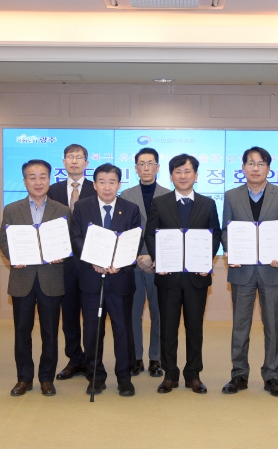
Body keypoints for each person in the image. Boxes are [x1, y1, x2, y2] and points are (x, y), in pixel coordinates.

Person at [221, 146, 278, 397]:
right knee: (240, 326)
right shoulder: (231, 196)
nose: (255, 168)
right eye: (251, 163)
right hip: (241, 271)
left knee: (272, 326)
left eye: (261, 163)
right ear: (243, 167)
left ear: (268, 168)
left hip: (272, 271)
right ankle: (239, 375)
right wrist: (230, 250)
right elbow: (226, 230)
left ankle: (272, 376)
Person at [144, 154, 221, 394]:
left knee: (194, 328)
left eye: (187, 171)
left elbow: (215, 234)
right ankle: (170, 375)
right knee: (168, 328)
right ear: (171, 176)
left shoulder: (208, 204)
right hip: (168, 276)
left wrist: (206, 259)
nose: (183, 176)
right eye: (178, 171)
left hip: (197, 277)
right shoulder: (160, 202)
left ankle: (193, 375)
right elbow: (151, 234)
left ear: (196, 175)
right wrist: (159, 259)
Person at [0, 160, 70, 397]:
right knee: (22, 331)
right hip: (23, 277)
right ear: (24, 181)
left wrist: (62, 253)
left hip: (51, 278)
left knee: (50, 332)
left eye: (43, 177)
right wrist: (13, 257)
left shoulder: (62, 210)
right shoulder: (12, 209)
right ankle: (24, 378)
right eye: (32, 177)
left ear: (49, 179)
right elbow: (4, 239)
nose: (38, 182)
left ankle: (47, 379)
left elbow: (69, 240)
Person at [70, 163, 141, 396]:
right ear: (94, 185)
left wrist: (120, 262)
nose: (107, 187)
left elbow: (135, 241)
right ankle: (95, 376)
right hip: (91, 279)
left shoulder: (131, 209)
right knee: (92, 331)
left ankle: (124, 377)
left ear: (119, 184)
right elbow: (76, 237)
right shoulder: (82, 207)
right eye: (102, 182)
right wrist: (93, 260)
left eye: (112, 182)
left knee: (123, 330)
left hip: (120, 280)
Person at [119, 148, 170, 378]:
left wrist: (152, 254)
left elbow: (169, 231)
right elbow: (122, 230)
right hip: (132, 263)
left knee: (159, 312)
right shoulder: (125, 195)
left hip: (160, 263)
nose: (146, 168)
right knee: (133, 312)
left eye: (150, 163)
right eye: (142, 163)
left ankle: (156, 358)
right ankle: (136, 357)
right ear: (136, 168)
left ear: (158, 167)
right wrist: (138, 256)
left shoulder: (168, 195)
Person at [48, 144, 96, 380]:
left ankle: (92, 360)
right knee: (68, 316)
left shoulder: (96, 188)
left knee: (91, 316)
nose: (74, 161)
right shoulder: (52, 190)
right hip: (62, 263)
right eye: (70, 157)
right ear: (64, 162)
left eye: (79, 157)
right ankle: (74, 359)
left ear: (86, 163)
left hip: (90, 262)